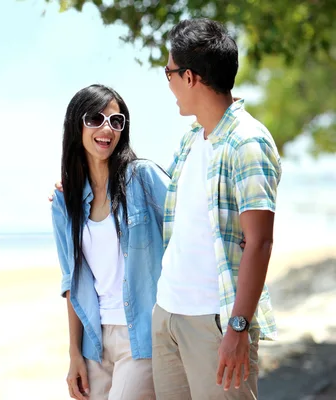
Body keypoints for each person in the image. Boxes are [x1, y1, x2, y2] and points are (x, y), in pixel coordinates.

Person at [152, 18, 281, 399]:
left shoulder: (248, 142)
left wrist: (238, 328)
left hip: (215, 322)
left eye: (169, 72)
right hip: (168, 315)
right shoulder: (193, 138)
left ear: (189, 77)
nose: (169, 83)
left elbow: (260, 242)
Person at [51, 84, 169, 400]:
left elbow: (187, 232)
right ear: (77, 125)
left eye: (116, 121)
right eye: (96, 118)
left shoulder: (143, 178)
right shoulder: (65, 202)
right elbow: (71, 283)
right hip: (94, 342)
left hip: (141, 336)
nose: (107, 128)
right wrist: (74, 353)